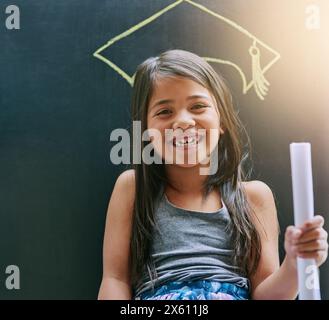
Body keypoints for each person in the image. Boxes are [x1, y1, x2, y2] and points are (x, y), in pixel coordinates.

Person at [97, 49, 328, 300]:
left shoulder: (253, 197)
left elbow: (266, 295)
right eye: (165, 112)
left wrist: (295, 264)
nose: (183, 121)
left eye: (197, 106)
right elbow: (115, 279)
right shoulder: (133, 188)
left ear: (222, 122)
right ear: (145, 129)